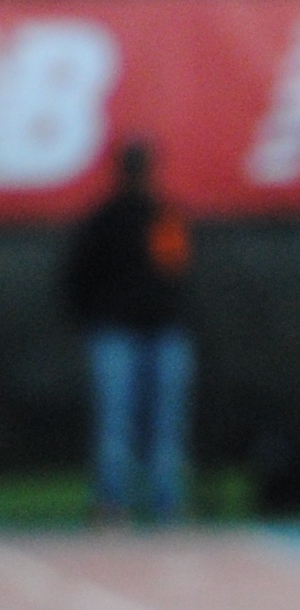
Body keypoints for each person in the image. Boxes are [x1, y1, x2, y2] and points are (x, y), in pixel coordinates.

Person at [61, 140, 194, 525]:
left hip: (162, 332)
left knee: (163, 424)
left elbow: (176, 271)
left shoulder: (163, 215)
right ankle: (113, 503)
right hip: (116, 334)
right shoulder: (103, 221)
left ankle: (166, 503)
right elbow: (77, 279)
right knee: (116, 423)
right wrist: (93, 320)